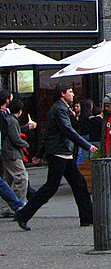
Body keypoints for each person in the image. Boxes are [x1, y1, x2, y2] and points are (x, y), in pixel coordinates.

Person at [15, 85, 96, 230]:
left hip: (64, 152)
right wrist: (87, 145)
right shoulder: (59, 109)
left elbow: (50, 133)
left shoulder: (63, 108)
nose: (73, 94)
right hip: (59, 153)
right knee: (51, 187)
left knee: (79, 184)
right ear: (62, 94)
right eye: (70, 92)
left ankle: (87, 217)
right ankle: (23, 214)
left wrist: (39, 154)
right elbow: (67, 130)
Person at [1, 100, 30, 213]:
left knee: (7, 180)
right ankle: (18, 204)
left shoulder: (7, 119)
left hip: (6, 152)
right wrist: (26, 144)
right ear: (20, 111)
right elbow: (15, 139)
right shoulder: (12, 121)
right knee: (21, 177)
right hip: (12, 153)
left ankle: (4, 207)